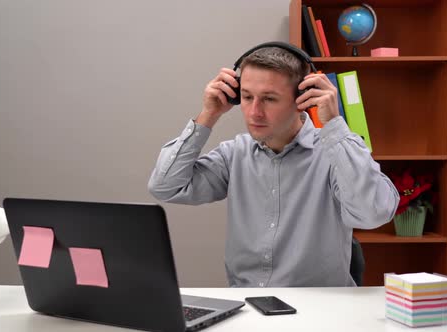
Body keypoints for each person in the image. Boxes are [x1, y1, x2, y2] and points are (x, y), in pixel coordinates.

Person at [147, 42, 399, 287]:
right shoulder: (235, 154)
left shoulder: (334, 155)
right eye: (246, 97)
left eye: (269, 99)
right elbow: (165, 186)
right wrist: (208, 115)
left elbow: (372, 214)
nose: (254, 112)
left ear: (303, 98)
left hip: (319, 312)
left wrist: (333, 124)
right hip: (248, 309)